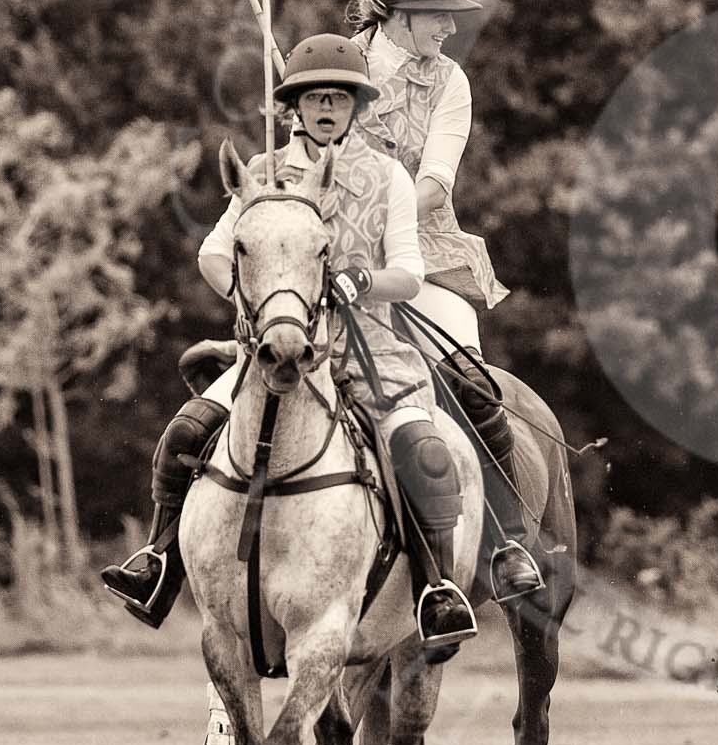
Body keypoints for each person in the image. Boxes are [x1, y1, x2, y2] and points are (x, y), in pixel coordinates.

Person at [99, 34, 478, 656]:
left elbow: (409, 272)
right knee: (186, 434)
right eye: (312, 97)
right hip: (270, 350)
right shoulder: (265, 174)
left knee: (423, 452)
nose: (325, 108)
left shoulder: (388, 178)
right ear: (293, 107)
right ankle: (159, 560)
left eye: (338, 97)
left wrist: (360, 280)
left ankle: (435, 590)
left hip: (370, 349)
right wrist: (250, 300)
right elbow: (213, 252)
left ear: (357, 106)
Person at [343, 0, 542, 605]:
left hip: (422, 256)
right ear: (399, 14)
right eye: (439, 16)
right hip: (335, 258)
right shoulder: (339, 66)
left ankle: (506, 541)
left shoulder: (450, 81)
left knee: (470, 383)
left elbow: (434, 183)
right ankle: (177, 541)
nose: (449, 29)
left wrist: (381, 221)